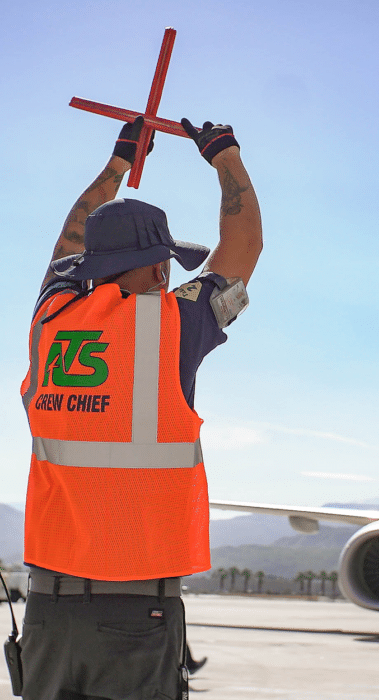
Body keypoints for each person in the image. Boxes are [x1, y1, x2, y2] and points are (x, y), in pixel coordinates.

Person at [19, 115, 262, 699]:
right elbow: (245, 246)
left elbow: (66, 242)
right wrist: (225, 157)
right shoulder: (171, 326)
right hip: (134, 617)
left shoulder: (48, 321)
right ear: (157, 265)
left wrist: (117, 164)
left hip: (48, 615)